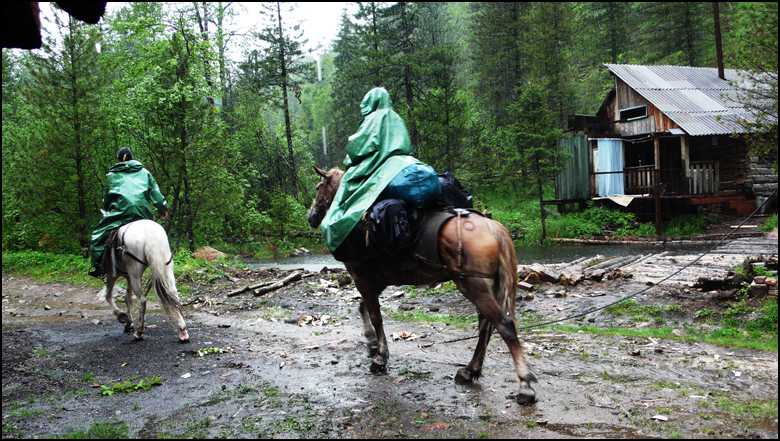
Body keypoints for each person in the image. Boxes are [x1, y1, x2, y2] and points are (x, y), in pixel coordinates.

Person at [319, 87, 421, 254]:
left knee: (348, 194)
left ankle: (349, 239)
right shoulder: (397, 117)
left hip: (382, 166)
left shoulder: (374, 118)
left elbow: (357, 148)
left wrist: (349, 160)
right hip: (406, 163)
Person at [88, 148, 169, 278]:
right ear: (132, 158)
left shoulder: (111, 175)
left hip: (120, 213)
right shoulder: (144, 172)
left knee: (97, 236)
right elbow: (156, 194)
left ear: (118, 159)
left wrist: (108, 211)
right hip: (142, 213)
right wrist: (162, 209)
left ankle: (99, 266)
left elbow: (107, 200)